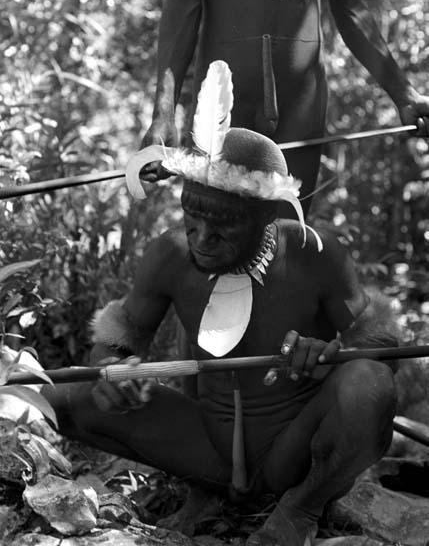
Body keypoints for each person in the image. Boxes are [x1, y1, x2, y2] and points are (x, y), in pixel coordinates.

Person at [46, 62, 399, 546]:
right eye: (192, 214)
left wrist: (330, 356)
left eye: (224, 224)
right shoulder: (170, 254)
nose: (202, 237)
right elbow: (123, 329)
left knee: (369, 384)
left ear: (266, 216)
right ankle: (206, 490)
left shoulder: (313, 252)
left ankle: (301, 510)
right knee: (65, 395)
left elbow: (378, 341)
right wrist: (114, 369)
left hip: (291, 448)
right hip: (206, 444)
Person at [142, 0, 429, 215]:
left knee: (287, 241)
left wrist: (404, 95)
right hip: (222, 104)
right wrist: (164, 113)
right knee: (217, 240)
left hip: (302, 108)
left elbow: (348, 2)